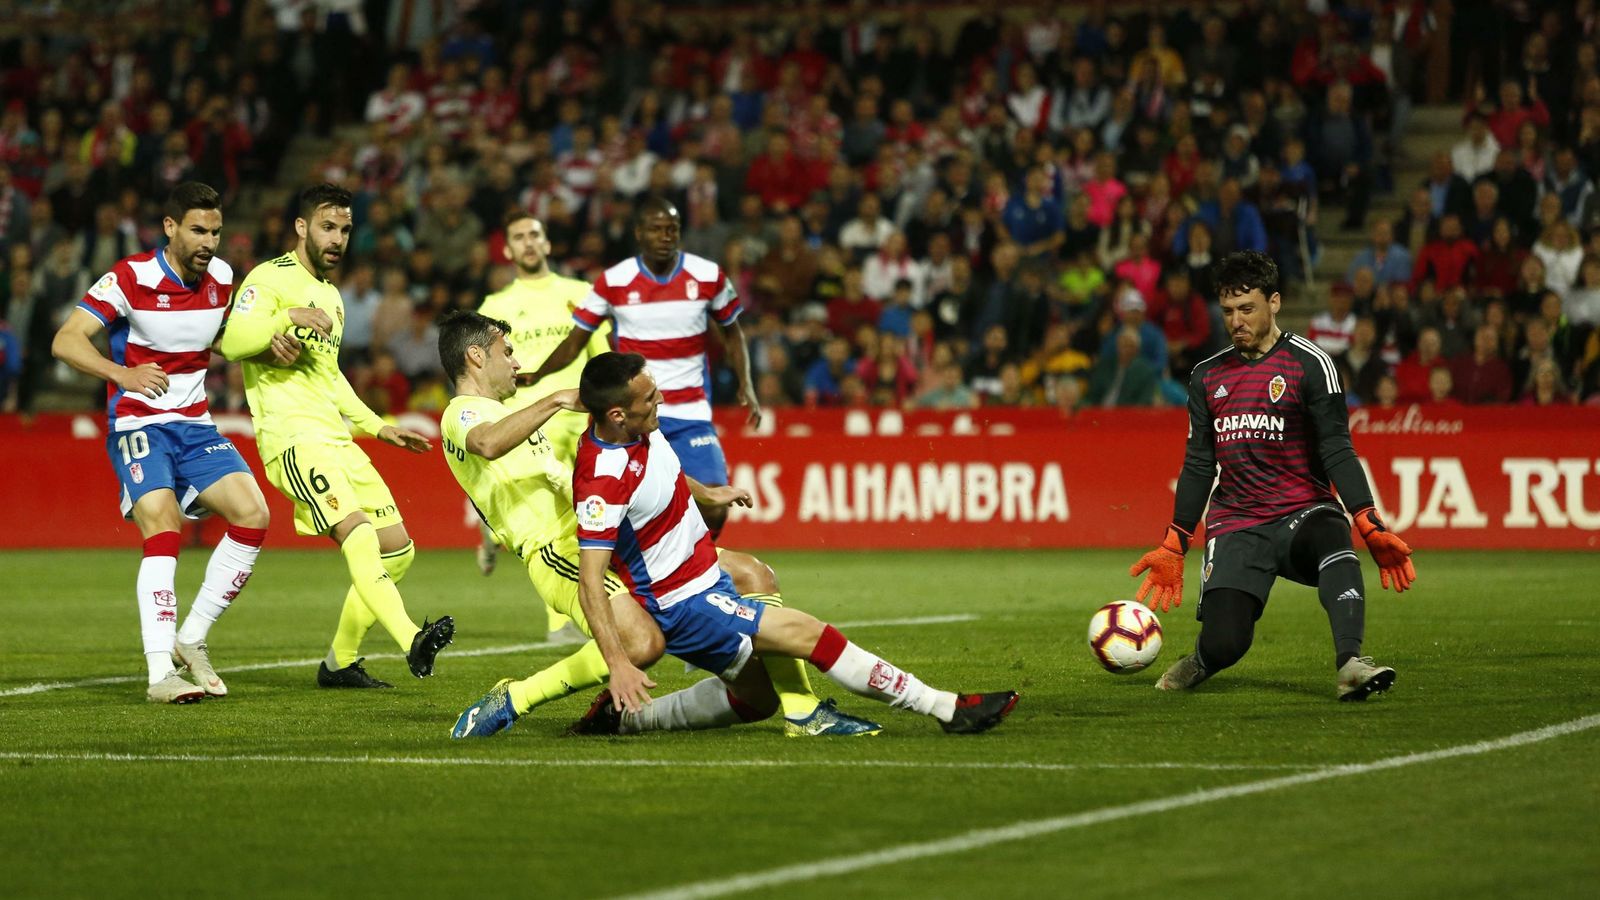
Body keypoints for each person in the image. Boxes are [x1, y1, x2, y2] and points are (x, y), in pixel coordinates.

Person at [435, 312, 880, 738]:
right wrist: (554, 398)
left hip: (610, 536)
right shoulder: (463, 413)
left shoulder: (515, 417)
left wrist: (705, 491)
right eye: (506, 352)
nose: (515, 362)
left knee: (753, 575)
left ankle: (802, 709)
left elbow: (627, 470)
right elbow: (487, 445)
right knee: (642, 645)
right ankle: (515, 698)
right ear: (476, 357)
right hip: (559, 551)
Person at [561, 351, 1018, 737]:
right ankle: (944, 708)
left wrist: (706, 492)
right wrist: (617, 662)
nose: (659, 398)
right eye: (649, 396)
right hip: (684, 603)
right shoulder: (602, 481)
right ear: (617, 414)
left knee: (756, 700)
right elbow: (590, 580)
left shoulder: (639, 425)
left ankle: (627, 720)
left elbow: (659, 469)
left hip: (707, 575)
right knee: (807, 633)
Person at [1129, 250, 1416, 701]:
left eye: (1247, 309)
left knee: (1332, 534)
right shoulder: (1207, 376)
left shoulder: (1311, 365)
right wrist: (1174, 540)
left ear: (1275, 302)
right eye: (1228, 311)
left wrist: (1367, 518)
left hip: (1302, 511)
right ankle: (1204, 658)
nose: (1236, 321)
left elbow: (1337, 447)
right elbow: (1200, 463)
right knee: (1228, 643)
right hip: (1237, 522)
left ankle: (1350, 664)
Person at [220, 183, 453, 688]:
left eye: (346, 230)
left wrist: (379, 426)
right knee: (358, 531)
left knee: (399, 548)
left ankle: (339, 662)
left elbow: (331, 377)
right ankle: (412, 636)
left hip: (336, 438)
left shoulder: (331, 297)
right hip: (292, 438)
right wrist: (285, 316)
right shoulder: (270, 277)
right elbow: (232, 341)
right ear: (302, 227)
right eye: (328, 227)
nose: (338, 239)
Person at [50, 181, 271, 704]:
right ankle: (158, 675)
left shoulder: (221, 278)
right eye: (198, 229)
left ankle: (190, 639)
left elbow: (217, 338)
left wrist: (269, 341)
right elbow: (65, 339)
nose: (208, 241)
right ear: (170, 227)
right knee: (163, 525)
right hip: (139, 423)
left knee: (253, 513)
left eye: (215, 231)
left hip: (195, 426)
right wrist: (118, 373)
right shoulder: (130, 277)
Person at [523, 196, 760, 537]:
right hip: (630, 413)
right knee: (620, 507)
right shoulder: (613, 281)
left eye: (672, 230)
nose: (665, 236)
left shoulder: (708, 276)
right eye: (656, 229)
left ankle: (694, 577)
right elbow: (575, 341)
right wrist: (538, 372)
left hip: (689, 411)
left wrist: (745, 383)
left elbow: (733, 333)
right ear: (639, 233)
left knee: (714, 509)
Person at [472, 211, 610, 626]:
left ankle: (492, 536)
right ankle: (562, 620)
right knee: (559, 520)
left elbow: (599, 354)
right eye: (519, 237)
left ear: (547, 243)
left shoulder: (581, 292)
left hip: (582, 418)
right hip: (532, 424)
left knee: (583, 515)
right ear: (508, 249)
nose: (529, 242)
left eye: (535, 234)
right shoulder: (495, 306)